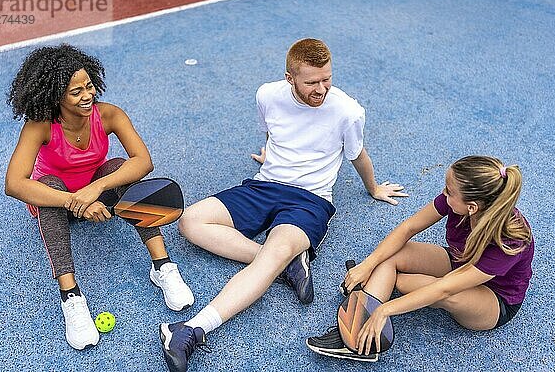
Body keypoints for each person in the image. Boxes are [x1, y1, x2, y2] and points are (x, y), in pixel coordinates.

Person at [158, 38, 407, 372]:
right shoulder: (267, 94)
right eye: (312, 82)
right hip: (265, 184)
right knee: (190, 222)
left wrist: (374, 188)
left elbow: (357, 155)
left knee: (274, 252)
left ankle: (192, 329)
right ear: (290, 78)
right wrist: (270, 156)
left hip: (310, 200)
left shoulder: (348, 111)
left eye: (327, 79)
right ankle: (290, 266)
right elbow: (270, 132)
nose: (322, 89)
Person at [4, 44, 194, 350]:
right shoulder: (39, 125)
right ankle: (71, 297)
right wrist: (74, 200)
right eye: (75, 92)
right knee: (49, 184)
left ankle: (162, 267)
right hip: (58, 202)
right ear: (56, 97)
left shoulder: (108, 115)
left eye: (89, 86)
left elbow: (143, 161)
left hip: (96, 192)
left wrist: (95, 189)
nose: (87, 95)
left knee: (120, 167)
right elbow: (14, 183)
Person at [307, 155, 534, 360]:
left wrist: (384, 310)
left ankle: (362, 329)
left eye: (449, 191)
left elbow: (445, 289)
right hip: (460, 262)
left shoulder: (511, 240)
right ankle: (359, 330)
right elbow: (408, 228)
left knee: (409, 284)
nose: (444, 194)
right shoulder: (462, 202)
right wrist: (367, 265)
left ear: (472, 207)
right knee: (391, 257)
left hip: (494, 297)